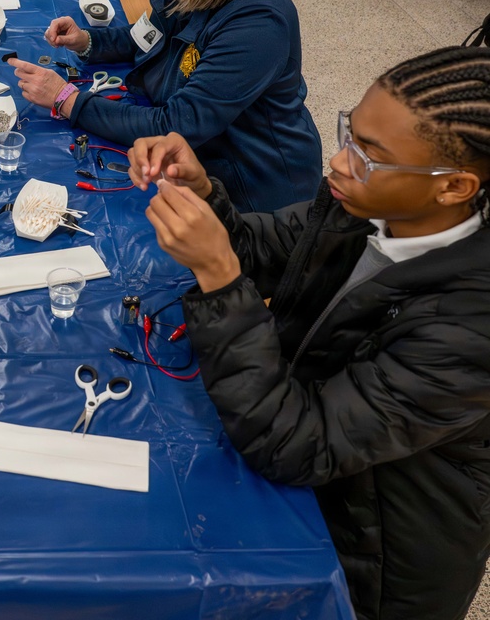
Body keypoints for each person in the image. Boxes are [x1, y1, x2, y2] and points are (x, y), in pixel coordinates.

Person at [128, 45, 490, 620]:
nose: (339, 163)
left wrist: (219, 280)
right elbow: (261, 248)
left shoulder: (470, 326)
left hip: (371, 559)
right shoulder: (364, 207)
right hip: (299, 453)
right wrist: (202, 192)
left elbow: (298, 445)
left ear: (453, 187)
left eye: (369, 156)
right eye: (350, 134)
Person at [9, 0, 322, 213]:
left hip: (254, 195)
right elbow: (145, 37)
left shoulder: (257, 26)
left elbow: (176, 125)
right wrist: (88, 42)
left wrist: (66, 99)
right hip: (201, 160)